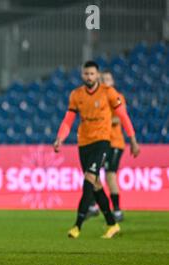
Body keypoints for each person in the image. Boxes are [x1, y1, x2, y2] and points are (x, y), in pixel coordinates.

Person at [53, 61, 140, 239]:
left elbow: (123, 116)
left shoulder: (108, 93)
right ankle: (112, 224)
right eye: (86, 74)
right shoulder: (76, 95)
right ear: (82, 75)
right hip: (84, 143)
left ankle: (77, 225)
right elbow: (68, 119)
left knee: (89, 180)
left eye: (92, 74)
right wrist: (60, 138)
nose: (89, 77)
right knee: (96, 185)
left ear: (97, 75)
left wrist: (132, 139)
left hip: (102, 141)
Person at [87, 71, 127, 222]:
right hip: (101, 142)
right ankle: (93, 205)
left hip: (115, 142)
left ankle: (117, 210)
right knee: (93, 172)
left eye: (108, 79)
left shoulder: (117, 97)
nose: (105, 81)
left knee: (110, 175)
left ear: (113, 81)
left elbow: (119, 118)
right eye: (103, 79)